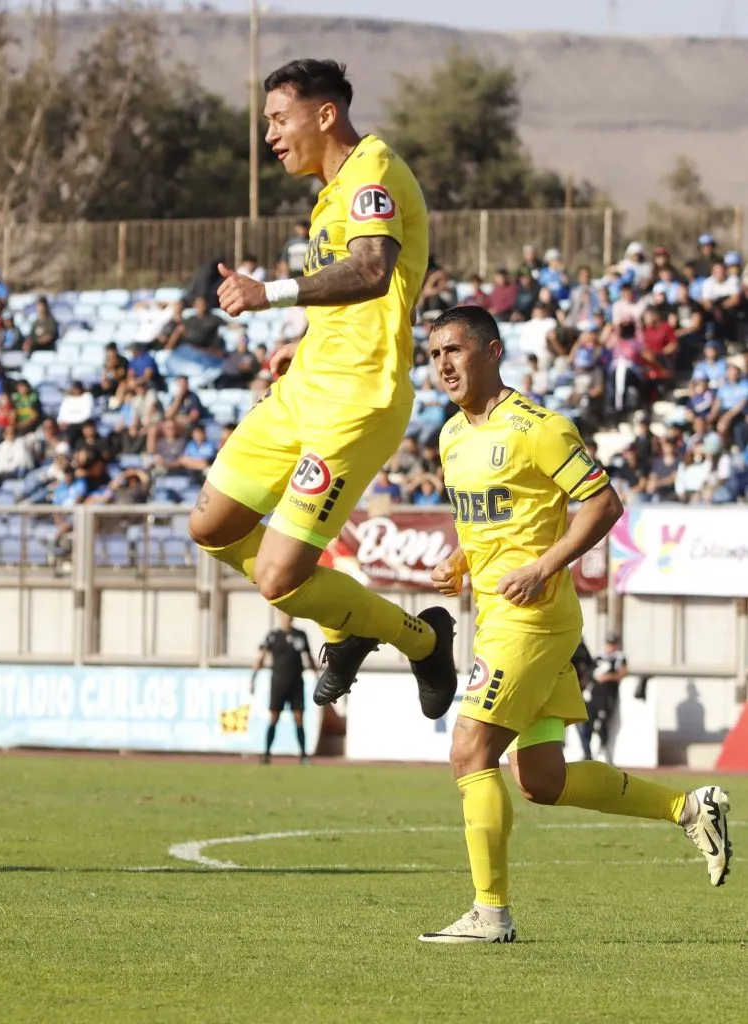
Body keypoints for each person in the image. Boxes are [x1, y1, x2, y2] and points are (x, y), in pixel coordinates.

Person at [414, 305, 731, 945]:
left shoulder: (539, 428)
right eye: (435, 353)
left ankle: (491, 914)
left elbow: (603, 502)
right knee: (542, 780)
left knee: (470, 750)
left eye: (456, 349)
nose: (444, 363)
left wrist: (545, 565)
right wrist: (461, 559)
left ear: (493, 351)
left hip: (532, 618)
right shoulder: (450, 437)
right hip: (501, 613)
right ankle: (688, 808)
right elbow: (488, 523)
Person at [187, 58, 457, 719]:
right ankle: (346, 617)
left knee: (280, 580)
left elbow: (370, 271)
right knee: (212, 528)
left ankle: (417, 638)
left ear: (325, 113)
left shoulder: (373, 171)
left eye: (279, 120)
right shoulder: (330, 195)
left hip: (354, 402)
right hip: (305, 386)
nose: (271, 137)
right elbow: (354, 306)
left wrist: (269, 292)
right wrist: (301, 344)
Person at [250, 613, 318, 763]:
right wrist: (253, 678)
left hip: (296, 684)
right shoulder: (273, 636)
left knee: (299, 718)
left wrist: (318, 678)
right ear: (281, 616)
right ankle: (267, 754)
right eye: (285, 615)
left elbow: (309, 657)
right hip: (278, 684)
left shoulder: (300, 635)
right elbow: (261, 657)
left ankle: (303, 755)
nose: (287, 617)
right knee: (274, 717)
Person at [578, 633, 628, 761]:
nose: (610, 647)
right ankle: (588, 754)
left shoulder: (619, 658)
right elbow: (588, 674)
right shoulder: (599, 657)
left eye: (613, 644)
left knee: (603, 725)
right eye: (608, 643)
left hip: (607, 697)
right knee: (586, 724)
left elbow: (621, 674)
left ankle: (606, 755)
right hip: (593, 696)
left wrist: (606, 677)